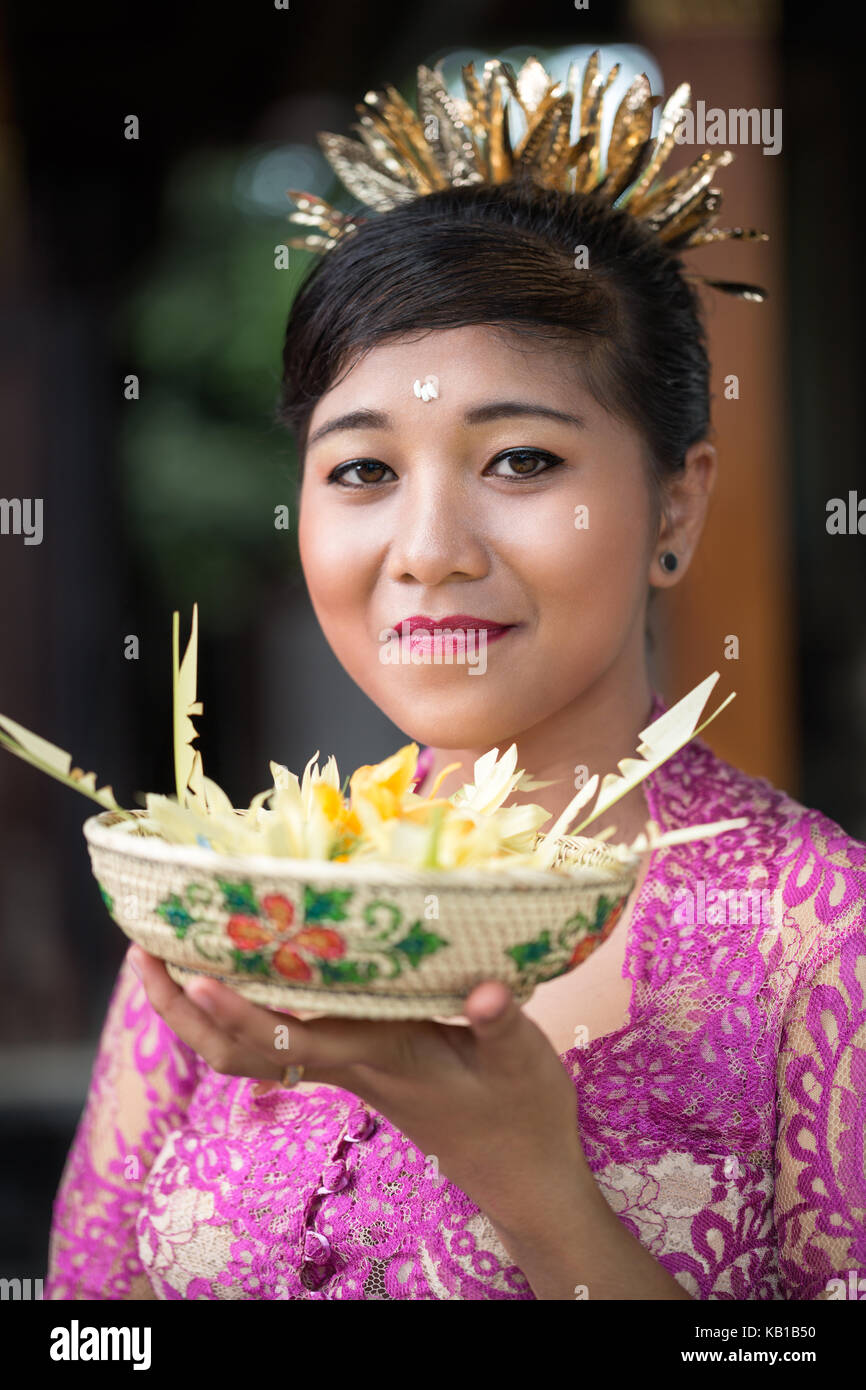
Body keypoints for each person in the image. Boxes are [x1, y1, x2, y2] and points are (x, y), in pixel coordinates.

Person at [44, 56, 866, 1301]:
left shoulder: (822, 945)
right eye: (362, 471)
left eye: (521, 459)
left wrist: (527, 1182)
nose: (427, 551)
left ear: (675, 503)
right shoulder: (231, 902)